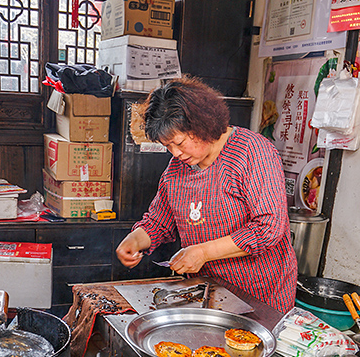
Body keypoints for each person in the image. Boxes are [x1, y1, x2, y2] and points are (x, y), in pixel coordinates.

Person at [115, 76, 298, 312]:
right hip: (208, 292)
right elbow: (159, 222)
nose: (176, 153)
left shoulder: (252, 153)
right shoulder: (176, 171)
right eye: (168, 146)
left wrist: (202, 252)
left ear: (201, 124)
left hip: (260, 293)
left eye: (179, 142)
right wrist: (135, 240)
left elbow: (269, 227)